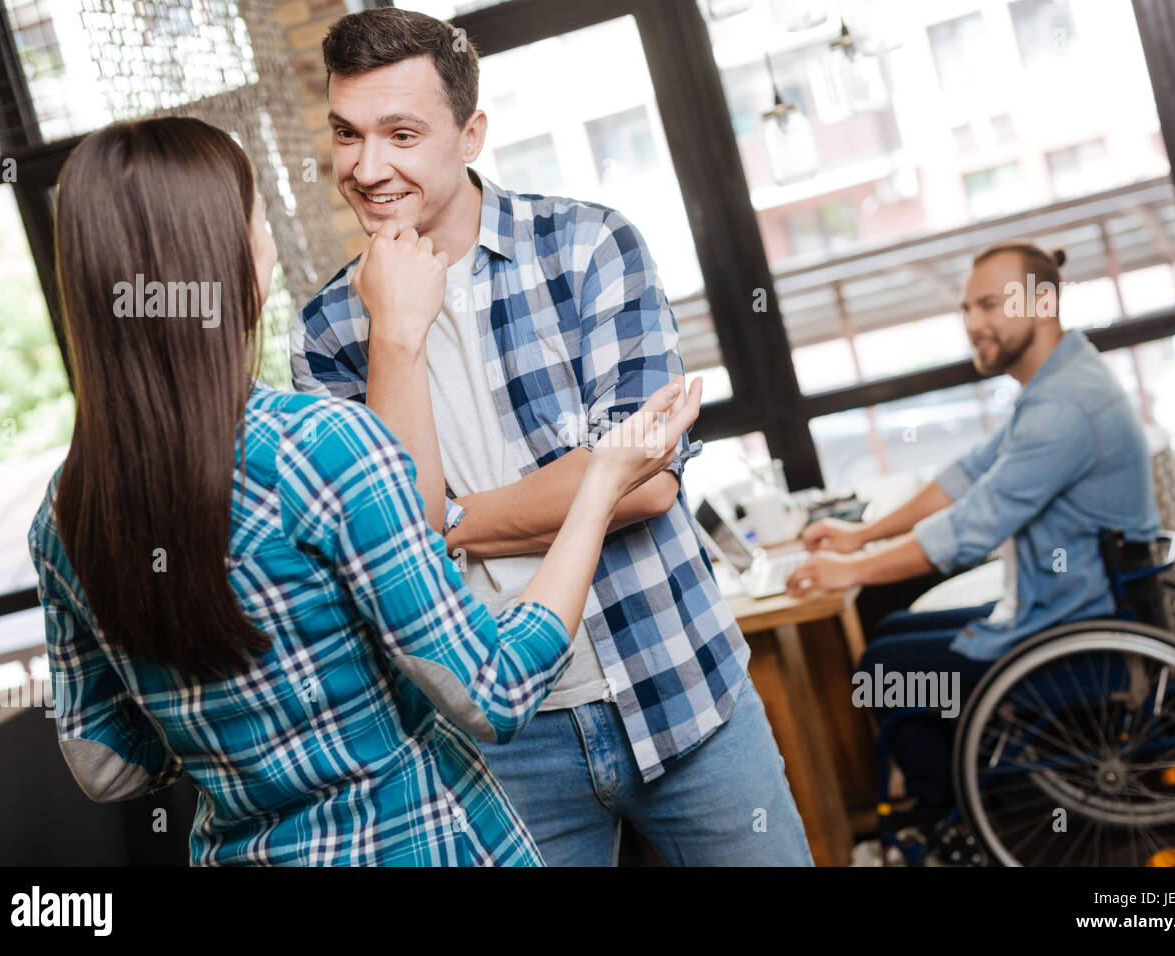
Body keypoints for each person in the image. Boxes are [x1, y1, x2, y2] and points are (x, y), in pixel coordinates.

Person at [27, 115, 702, 866]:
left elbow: (104, 763)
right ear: (233, 261)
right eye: (257, 218)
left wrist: (227, 726)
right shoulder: (322, 446)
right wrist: (603, 478)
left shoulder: (63, 515)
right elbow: (493, 690)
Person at [291, 7, 812, 866]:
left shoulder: (587, 247)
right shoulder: (327, 330)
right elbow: (385, 562)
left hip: (674, 684)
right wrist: (395, 337)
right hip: (496, 744)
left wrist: (446, 522)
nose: (367, 166)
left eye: (402, 133)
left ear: (470, 134)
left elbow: (644, 481)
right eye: (348, 135)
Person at [786, 240, 1160, 820]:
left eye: (988, 305)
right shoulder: (1061, 380)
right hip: (1062, 603)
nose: (972, 324)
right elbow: (966, 477)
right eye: (966, 309)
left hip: (1072, 635)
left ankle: (955, 821)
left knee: (881, 675)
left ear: (1041, 303)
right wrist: (860, 537)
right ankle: (968, 791)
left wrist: (851, 570)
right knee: (893, 632)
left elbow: (967, 531)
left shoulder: (1063, 407)